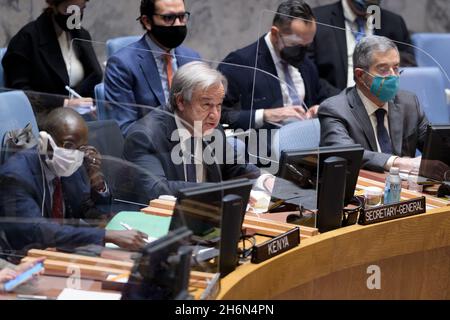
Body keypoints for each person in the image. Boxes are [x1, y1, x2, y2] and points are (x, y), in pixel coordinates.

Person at [0, 108, 148, 252]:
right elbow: (36, 232)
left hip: (62, 247)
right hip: (24, 256)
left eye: (82, 147)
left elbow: (89, 212)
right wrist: (107, 235)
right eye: (69, 145)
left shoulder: (70, 164)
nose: (76, 154)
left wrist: (96, 178)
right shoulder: (15, 176)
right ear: (45, 142)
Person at [123, 61, 271, 199]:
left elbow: (235, 166)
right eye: (206, 105)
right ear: (181, 101)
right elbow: (158, 190)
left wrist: (264, 180)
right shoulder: (144, 136)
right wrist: (220, 192)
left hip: (206, 215)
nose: (215, 115)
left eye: (219, 105)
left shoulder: (211, 127)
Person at [218, 0, 339, 161]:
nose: (303, 54)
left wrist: (320, 107)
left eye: (307, 46)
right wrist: (265, 115)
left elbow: (324, 93)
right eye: (296, 46)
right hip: (261, 158)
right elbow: (220, 115)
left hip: (308, 152)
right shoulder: (240, 64)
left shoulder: (305, 64)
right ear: (275, 34)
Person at [318, 35, 428, 173]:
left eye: (396, 68)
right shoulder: (335, 110)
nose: (393, 76)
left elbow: (434, 146)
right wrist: (398, 163)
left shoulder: (409, 103)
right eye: (383, 69)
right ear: (360, 75)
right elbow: (345, 153)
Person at [104, 0, 201, 136]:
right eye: (169, 18)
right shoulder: (121, 64)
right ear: (147, 21)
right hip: (151, 148)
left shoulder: (192, 58)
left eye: (182, 17)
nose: (178, 24)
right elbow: (125, 128)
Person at [2, 0, 102, 123]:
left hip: (83, 115)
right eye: (70, 9)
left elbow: (93, 77)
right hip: (44, 118)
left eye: (81, 9)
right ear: (53, 5)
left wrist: (91, 104)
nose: (76, 15)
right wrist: (65, 103)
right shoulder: (26, 40)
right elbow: (20, 94)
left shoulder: (81, 34)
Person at [310, 0, 417, 90]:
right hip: (336, 101)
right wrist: (340, 102)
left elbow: (409, 68)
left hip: (383, 102)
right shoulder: (318, 20)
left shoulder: (394, 23)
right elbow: (310, 75)